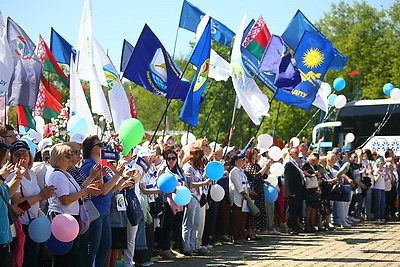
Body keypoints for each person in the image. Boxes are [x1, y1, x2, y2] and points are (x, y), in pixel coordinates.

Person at [47, 144, 101, 266]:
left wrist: (91, 183)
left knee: (71, 256)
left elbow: (79, 192)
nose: (71, 157)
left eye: (71, 154)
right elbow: (65, 200)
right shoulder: (58, 175)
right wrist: (86, 191)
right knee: (64, 257)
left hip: (70, 219)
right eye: (68, 155)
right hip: (63, 219)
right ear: (59, 157)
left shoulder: (66, 174)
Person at [81, 136, 126, 267]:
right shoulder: (90, 166)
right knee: (94, 248)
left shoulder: (100, 165)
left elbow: (110, 190)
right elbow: (104, 191)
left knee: (105, 246)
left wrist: (122, 180)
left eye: (103, 144)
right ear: (90, 149)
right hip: (95, 211)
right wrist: (118, 174)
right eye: (99, 144)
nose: (103, 146)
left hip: (103, 210)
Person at [156, 148, 187, 259]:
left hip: (180, 201)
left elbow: (185, 183)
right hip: (168, 201)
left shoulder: (180, 170)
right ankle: (165, 248)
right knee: (167, 225)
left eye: (173, 158)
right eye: (168, 159)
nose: (171, 161)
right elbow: (159, 184)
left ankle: (174, 247)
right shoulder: (163, 170)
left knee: (177, 225)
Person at [181, 147, 211, 256]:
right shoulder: (188, 167)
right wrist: (204, 183)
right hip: (191, 195)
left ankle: (193, 245)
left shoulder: (197, 168)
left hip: (198, 196)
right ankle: (186, 245)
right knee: (188, 222)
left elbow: (199, 179)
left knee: (196, 223)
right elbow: (190, 184)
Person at [0, 140, 25, 267]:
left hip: (4, 236)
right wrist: (1, 177)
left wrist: (18, 177)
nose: (7, 155)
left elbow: (6, 192)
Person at [243, 147, 270, 238]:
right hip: (253, 190)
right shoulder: (248, 165)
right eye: (254, 153)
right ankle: (250, 231)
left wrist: (267, 167)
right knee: (253, 212)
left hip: (259, 190)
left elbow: (264, 176)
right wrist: (265, 166)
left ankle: (254, 231)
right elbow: (257, 176)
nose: (256, 155)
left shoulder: (257, 165)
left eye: (257, 153)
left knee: (258, 211)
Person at [229, 154, 251, 244]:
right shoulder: (234, 171)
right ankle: (236, 237)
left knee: (242, 219)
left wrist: (249, 191)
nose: (243, 161)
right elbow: (239, 186)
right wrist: (245, 194)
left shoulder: (242, 171)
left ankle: (241, 236)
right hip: (237, 198)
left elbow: (245, 183)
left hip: (244, 198)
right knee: (237, 219)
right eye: (240, 160)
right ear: (235, 162)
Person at [284, 148, 304, 235]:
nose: (297, 154)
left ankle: (294, 225)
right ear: (291, 154)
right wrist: (290, 192)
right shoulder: (289, 164)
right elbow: (288, 180)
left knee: (295, 209)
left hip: (298, 190)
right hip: (292, 191)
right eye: (295, 153)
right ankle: (289, 227)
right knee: (290, 210)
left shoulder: (297, 164)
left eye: (297, 152)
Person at [301, 152, 321, 233]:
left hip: (314, 189)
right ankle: (307, 225)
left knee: (314, 208)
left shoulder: (315, 166)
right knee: (309, 207)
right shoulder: (306, 165)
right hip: (309, 189)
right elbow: (303, 172)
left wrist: (318, 175)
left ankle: (312, 224)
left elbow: (319, 175)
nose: (314, 162)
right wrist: (311, 175)